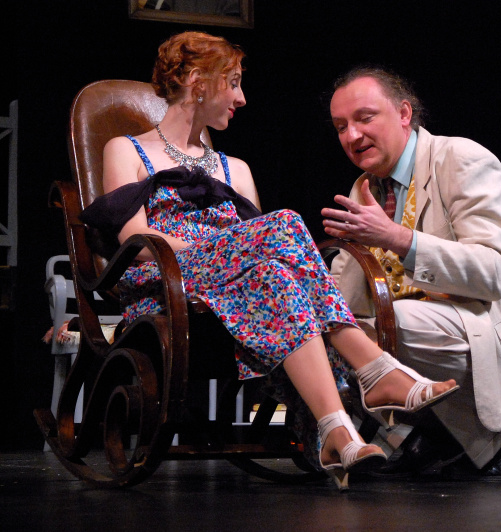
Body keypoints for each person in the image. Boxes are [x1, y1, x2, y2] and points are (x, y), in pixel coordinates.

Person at [80, 33, 458, 491]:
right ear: (198, 83)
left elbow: (264, 261)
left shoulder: (236, 168)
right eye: (233, 83)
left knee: (275, 272)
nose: (241, 97)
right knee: (282, 225)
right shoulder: (125, 149)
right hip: (165, 285)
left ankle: (335, 430)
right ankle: (372, 366)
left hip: (236, 295)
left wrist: (234, 253)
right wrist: (221, 249)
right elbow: (136, 241)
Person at [322, 67, 501, 480]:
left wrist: (398, 238)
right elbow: (345, 293)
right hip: (435, 329)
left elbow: (493, 273)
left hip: (488, 326)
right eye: (340, 126)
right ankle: (423, 434)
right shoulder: (365, 188)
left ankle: (499, 438)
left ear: (404, 113)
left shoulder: (461, 159)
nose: (352, 135)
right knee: (331, 330)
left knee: (386, 322)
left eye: (365, 118)